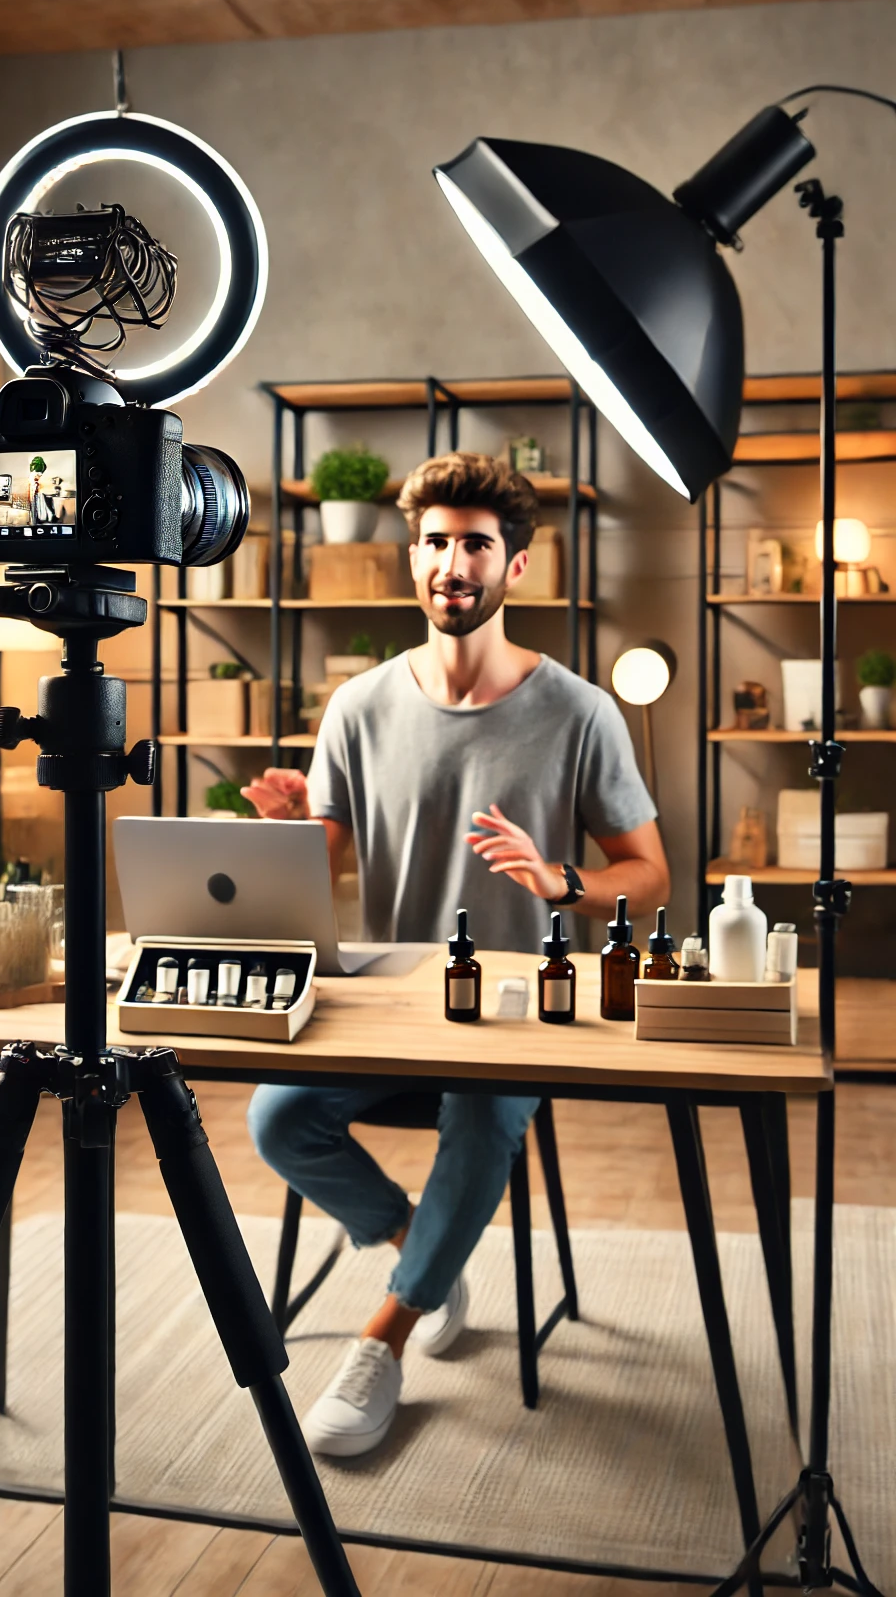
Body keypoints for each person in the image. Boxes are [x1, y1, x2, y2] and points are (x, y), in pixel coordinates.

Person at [242, 451, 669, 1458]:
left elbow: (648, 874)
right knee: (277, 1116)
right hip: (392, 1004)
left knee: (479, 1122)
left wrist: (562, 881)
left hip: (522, 1012)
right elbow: (323, 869)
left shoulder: (579, 712)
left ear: (515, 565)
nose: (451, 563)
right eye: (435, 542)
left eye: (476, 543)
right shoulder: (355, 708)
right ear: (413, 555)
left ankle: (382, 1336)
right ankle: (424, 1253)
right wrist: (282, 834)